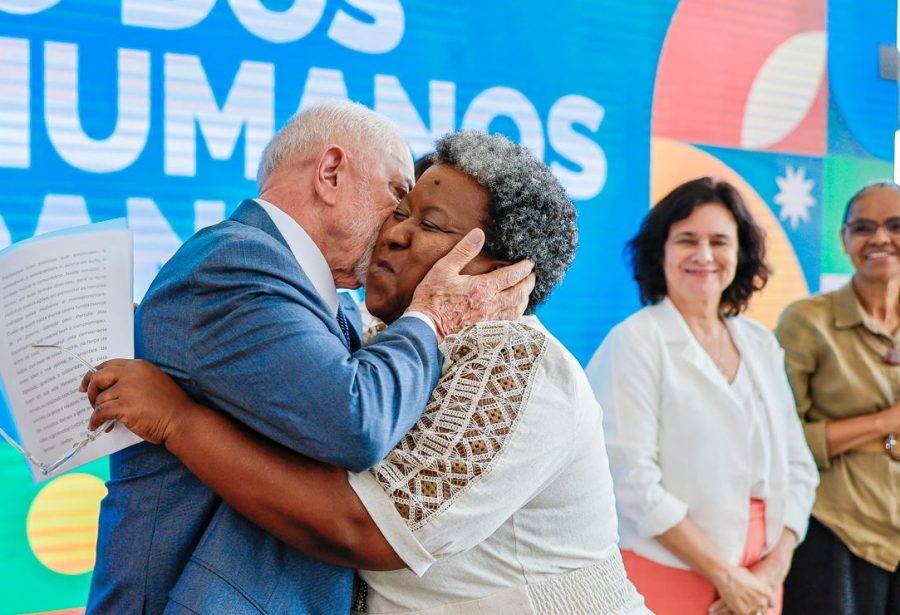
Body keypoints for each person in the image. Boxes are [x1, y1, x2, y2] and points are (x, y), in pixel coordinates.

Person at [82, 131, 648, 614]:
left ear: (496, 274)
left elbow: (358, 527)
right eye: (399, 212)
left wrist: (178, 421)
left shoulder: (516, 363)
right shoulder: (381, 337)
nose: (395, 233)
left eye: (430, 225)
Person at [586, 177, 818, 615]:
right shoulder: (635, 342)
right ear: (661, 252)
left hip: (761, 587)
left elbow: (799, 468)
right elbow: (632, 482)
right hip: (668, 578)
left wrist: (768, 575)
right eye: (687, 240)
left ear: (741, 254)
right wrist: (726, 577)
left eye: (720, 241)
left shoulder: (759, 343)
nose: (704, 255)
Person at [776, 181, 900, 615]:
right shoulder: (806, 322)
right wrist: (886, 424)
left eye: (895, 225)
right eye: (864, 227)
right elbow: (780, 443)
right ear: (845, 239)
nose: (880, 239)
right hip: (835, 535)